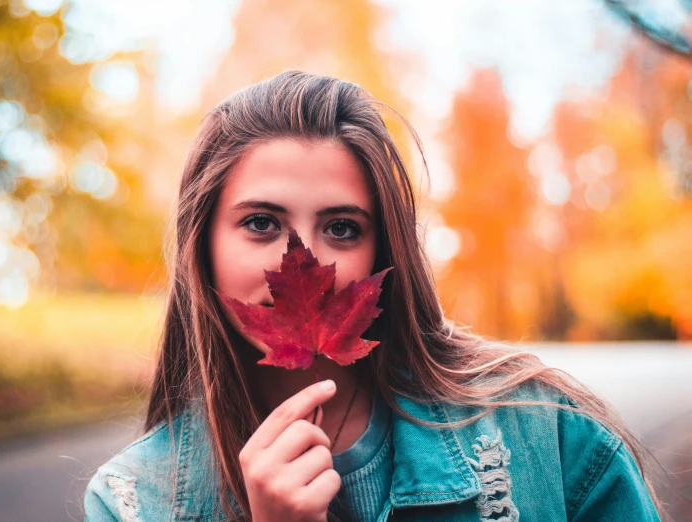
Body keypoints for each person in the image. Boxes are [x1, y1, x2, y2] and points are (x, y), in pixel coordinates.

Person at [83, 70, 664, 522]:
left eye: (341, 228)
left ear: (383, 250)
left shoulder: (544, 432)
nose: (300, 261)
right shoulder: (135, 499)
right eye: (261, 223)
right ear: (201, 244)